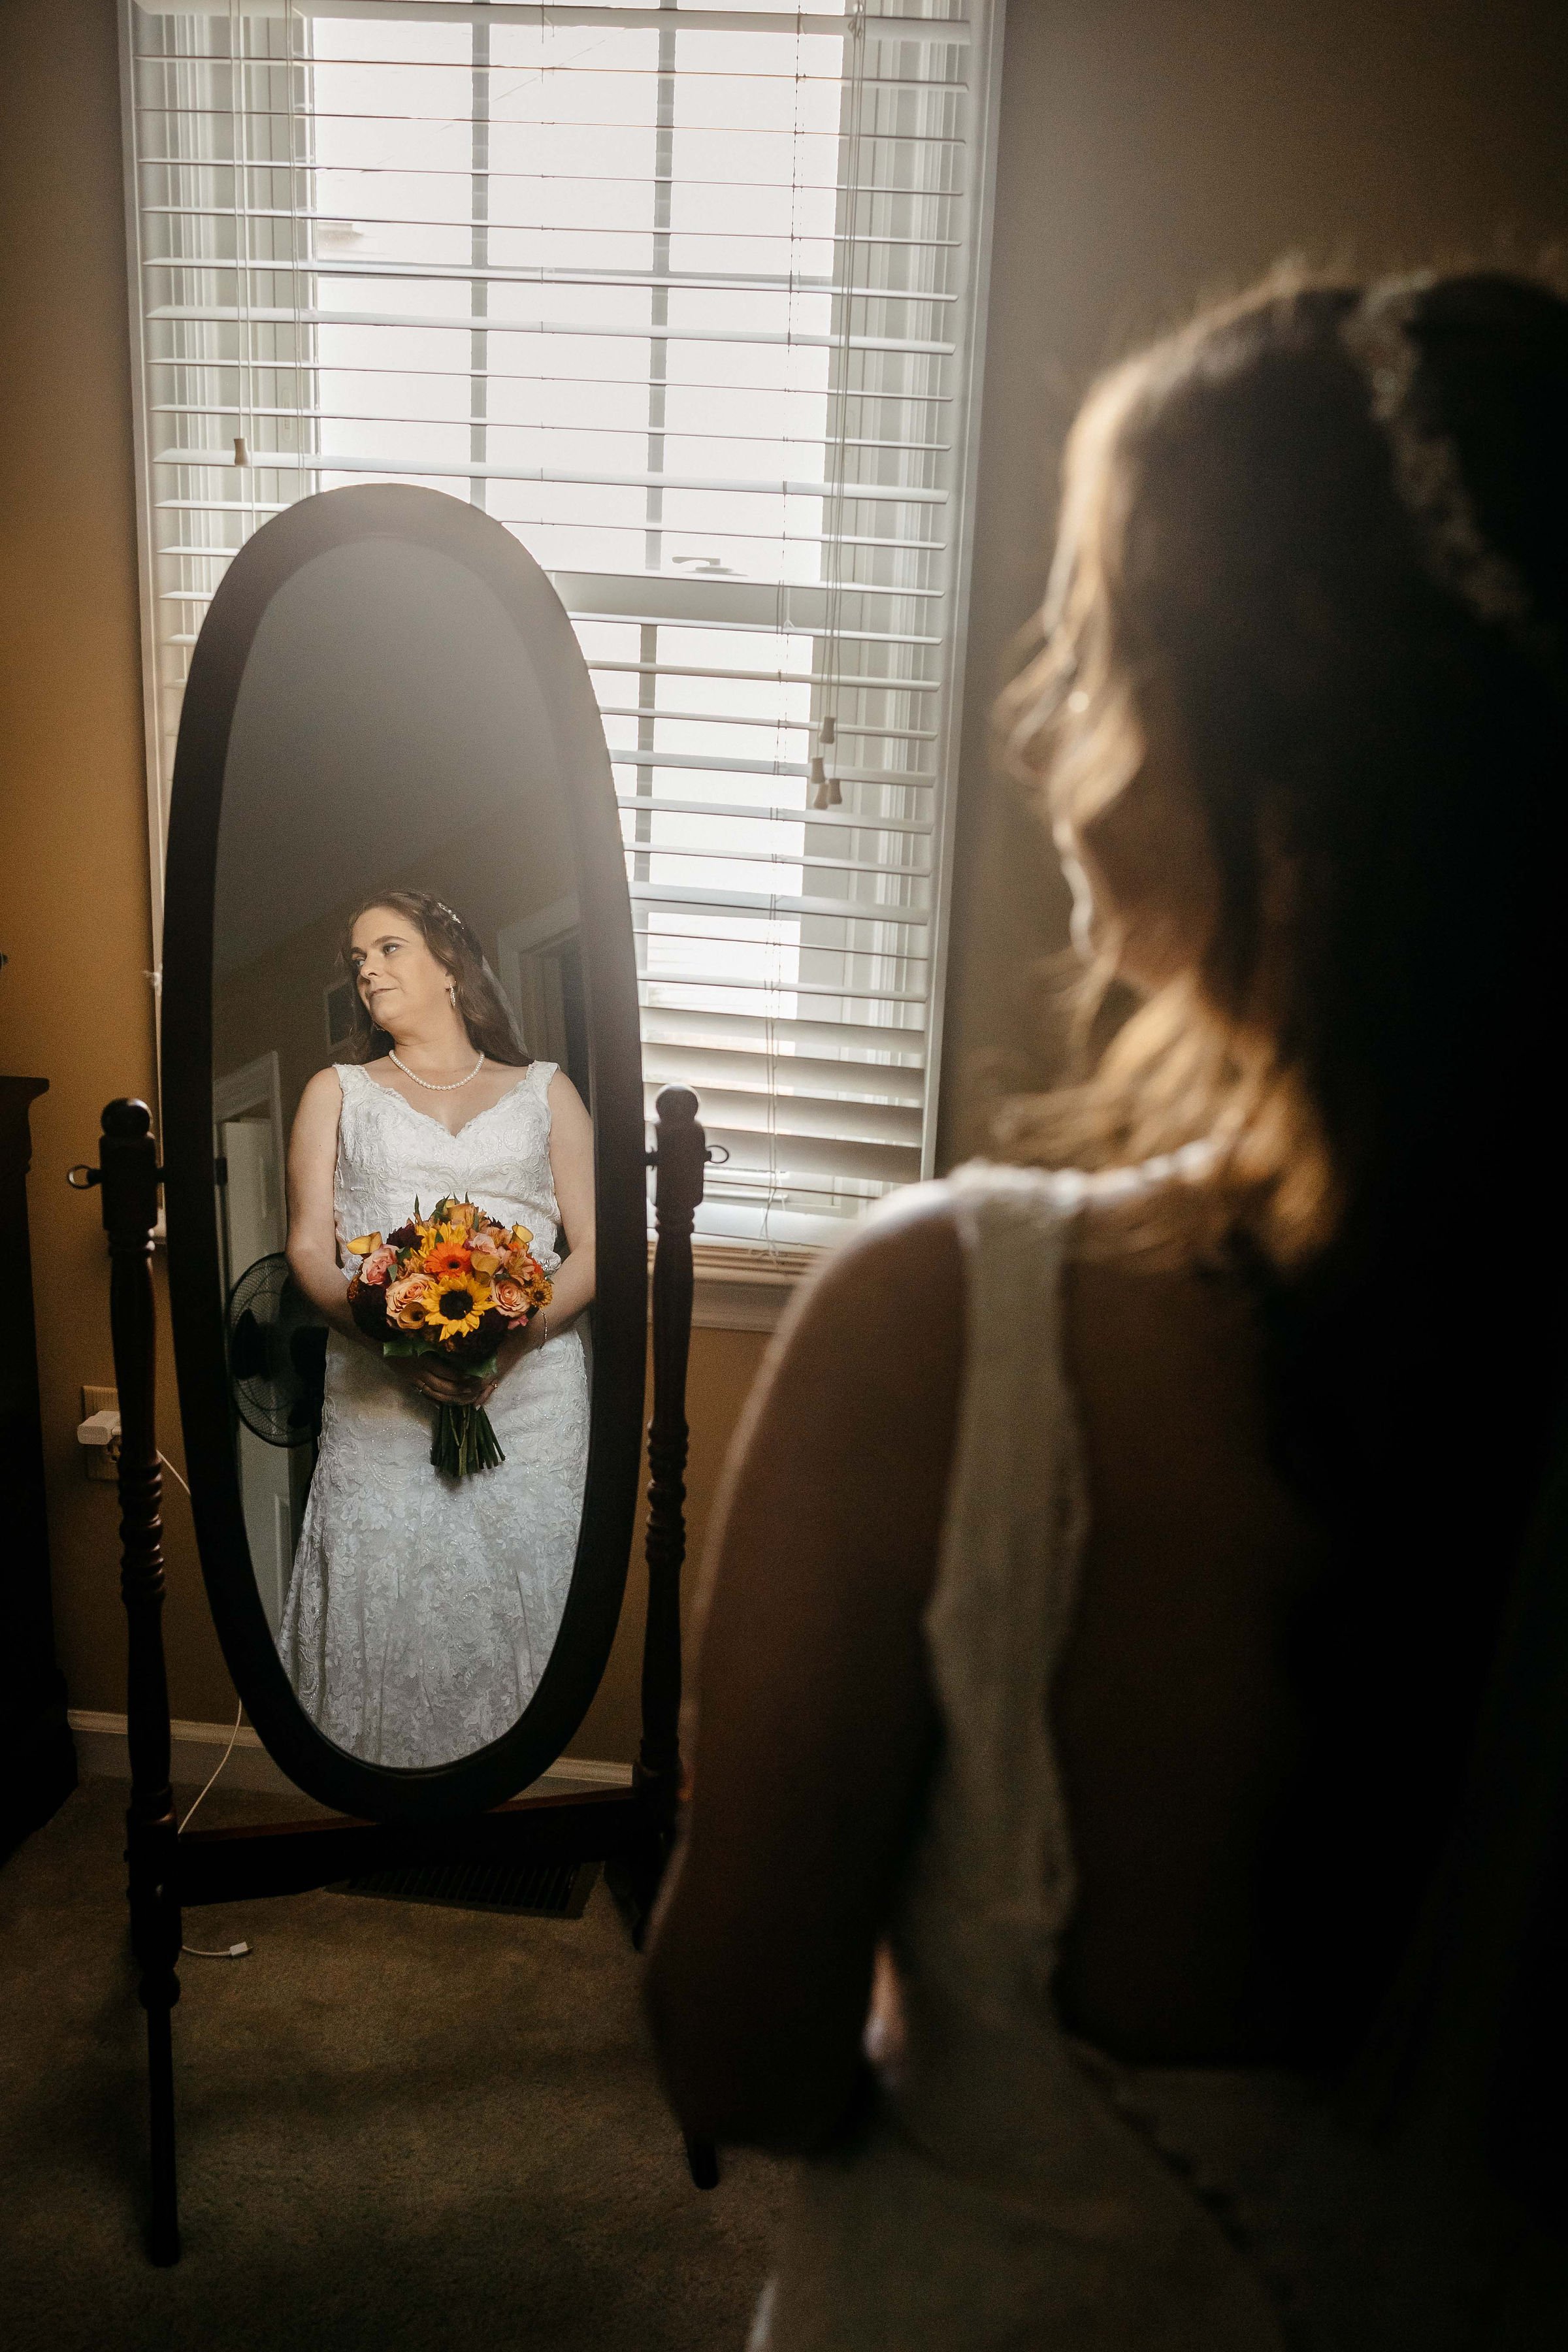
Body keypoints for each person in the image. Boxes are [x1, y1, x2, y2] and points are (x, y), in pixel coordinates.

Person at [644, 270, 1568, 2347]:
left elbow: (740, 2055)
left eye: (1092, 628)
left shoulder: (946, 1331)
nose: (1035, 711)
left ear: (1285, 724)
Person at [280, 889, 593, 1767]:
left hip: (533, 1395)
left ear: (450, 966)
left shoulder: (545, 1093)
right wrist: (390, 1342)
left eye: (388, 949)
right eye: (358, 961)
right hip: (380, 1392)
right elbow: (308, 1250)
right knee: (389, 1594)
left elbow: (599, 1246)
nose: (367, 970)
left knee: (519, 1594)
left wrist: (514, 1339)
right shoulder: (333, 1092)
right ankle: (376, 1797)